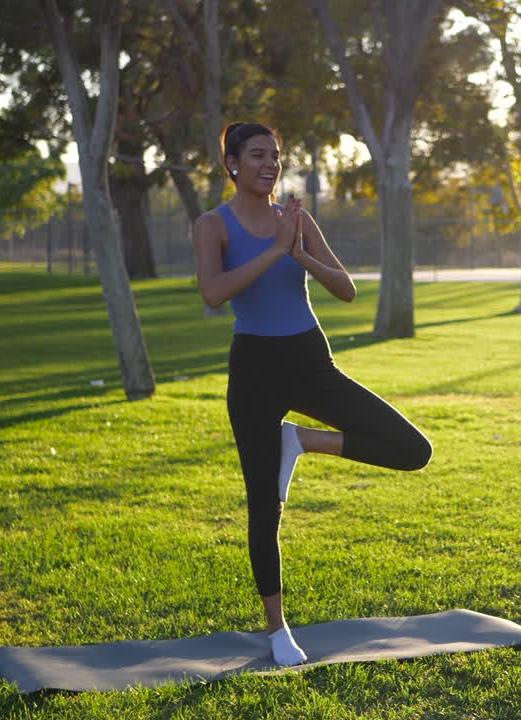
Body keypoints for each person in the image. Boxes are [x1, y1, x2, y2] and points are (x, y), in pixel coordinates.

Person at [192, 122, 433, 667]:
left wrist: (297, 251)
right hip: (254, 369)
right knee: (262, 507)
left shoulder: (294, 220)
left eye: (275, 156)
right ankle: (278, 630)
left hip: (309, 360)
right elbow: (213, 293)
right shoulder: (214, 225)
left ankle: (300, 441)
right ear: (231, 163)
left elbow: (345, 290)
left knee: (412, 450)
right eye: (257, 156)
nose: (269, 164)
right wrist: (275, 251)